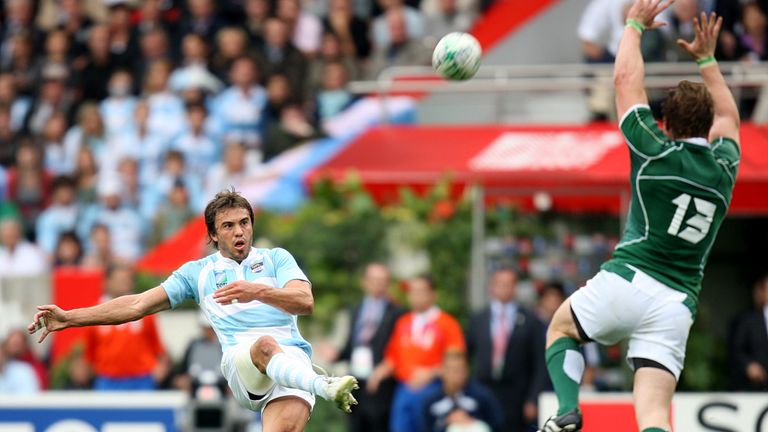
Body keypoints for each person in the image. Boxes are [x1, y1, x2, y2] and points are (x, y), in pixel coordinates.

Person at [539, 3, 741, 431]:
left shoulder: (654, 151)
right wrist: (707, 60)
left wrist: (632, 27)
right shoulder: (724, 170)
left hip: (629, 279)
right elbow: (730, 116)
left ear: (666, 124)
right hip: (676, 304)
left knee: (560, 328)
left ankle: (566, 411)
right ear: (707, 128)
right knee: (652, 413)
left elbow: (624, 81)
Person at [29, 190, 359, 431]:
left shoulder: (276, 259)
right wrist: (70, 317)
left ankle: (317, 383)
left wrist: (256, 290)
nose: (239, 231)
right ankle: (324, 385)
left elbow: (305, 301)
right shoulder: (197, 273)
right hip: (243, 362)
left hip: (291, 364)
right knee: (265, 346)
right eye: (228, 226)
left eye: (244, 222)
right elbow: (137, 304)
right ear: (214, 235)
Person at [367, 275, 466, 432]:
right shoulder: (403, 322)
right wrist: (379, 373)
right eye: (412, 292)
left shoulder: (447, 324)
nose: (415, 296)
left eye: (420, 291)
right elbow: (393, 356)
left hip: (434, 388)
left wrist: (431, 373)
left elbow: (456, 363)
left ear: (433, 294)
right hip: (404, 388)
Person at [466, 268, 547, 432]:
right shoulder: (478, 319)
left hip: (517, 394)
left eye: (508, 284)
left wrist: (533, 398)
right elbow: (466, 355)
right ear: (491, 287)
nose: (504, 288)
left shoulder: (530, 321)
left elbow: (540, 363)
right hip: (484, 389)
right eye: (499, 284)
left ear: (515, 287)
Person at [333, 263, 404, 432]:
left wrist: (385, 369)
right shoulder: (356, 310)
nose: (378, 284)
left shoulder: (397, 313)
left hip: (381, 383)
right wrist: (336, 354)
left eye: (382, 280)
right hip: (357, 379)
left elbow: (399, 348)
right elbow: (352, 345)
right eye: (374, 280)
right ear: (364, 282)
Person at [421, 351, 503, 432]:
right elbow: (425, 428)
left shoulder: (482, 397)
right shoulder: (431, 401)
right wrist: (446, 422)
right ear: (442, 371)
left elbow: (497, 425)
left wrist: (471, 420)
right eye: (451, 370)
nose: (455, 375)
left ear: (466, 371)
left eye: (459, 370)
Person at [730, 275, 768, 391]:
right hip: (754, 387)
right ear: (762, 291)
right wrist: (748, 365)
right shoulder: (747, 320)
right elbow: (736, 349)